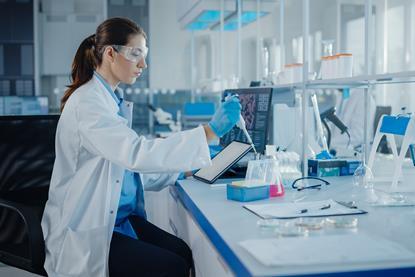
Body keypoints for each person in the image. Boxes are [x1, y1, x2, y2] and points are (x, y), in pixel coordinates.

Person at [41, 17, 241, 277]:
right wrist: (209, 132)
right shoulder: (88, 103)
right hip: (88, 230)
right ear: (111, 53)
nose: (143, 64)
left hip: (115, 220)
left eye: (144, 55)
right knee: (173, 266)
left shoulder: (110, 101)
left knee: (181, 252)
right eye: (135, 54)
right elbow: (135, 154)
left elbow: (122, 172)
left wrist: (185, 169)